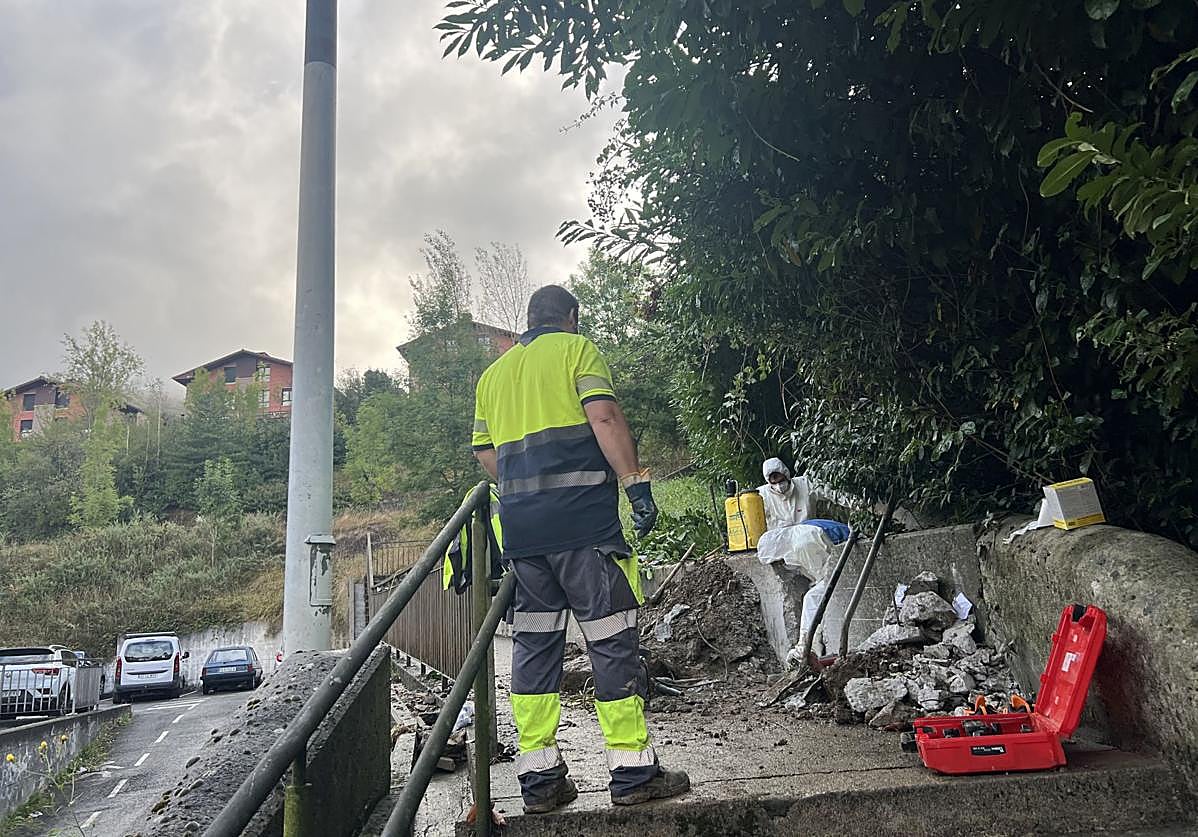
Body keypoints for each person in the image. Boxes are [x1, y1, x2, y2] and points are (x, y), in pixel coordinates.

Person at [471, 284, 691, 814]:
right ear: (571, 317)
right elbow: (606, 418)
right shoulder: (577, 350)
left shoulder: (494, 375)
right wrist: (635, 482)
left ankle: (541, 783)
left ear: (528, 319)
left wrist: (530, 492)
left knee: (535, 650)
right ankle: (633, 771)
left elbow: (485, 450)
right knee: (611, 640)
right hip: (585, 530)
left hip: (524, 537)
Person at [757, 457, 817, 530]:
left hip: (809, 534)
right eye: (774, 483)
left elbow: (829, 494)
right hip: (780, 538)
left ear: (786, 475)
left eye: (781, 481)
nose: (779, 486)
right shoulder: (761, 495)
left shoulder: (805, 484)